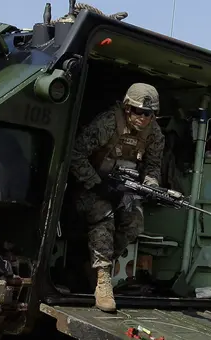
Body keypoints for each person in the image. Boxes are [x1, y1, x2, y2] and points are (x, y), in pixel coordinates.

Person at [69, 83, 165, 313]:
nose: (143, 118)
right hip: (89, 187)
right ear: (127, 108)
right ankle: (103, 282)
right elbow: (75, 153)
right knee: (105, 216)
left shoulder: (155, 134)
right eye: (138, 112)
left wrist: (150, 186)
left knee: (135, 223)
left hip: (123, 190)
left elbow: (152, 166)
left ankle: (94, 265)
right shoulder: (108, 124)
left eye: (148, 114)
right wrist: (96, 183)